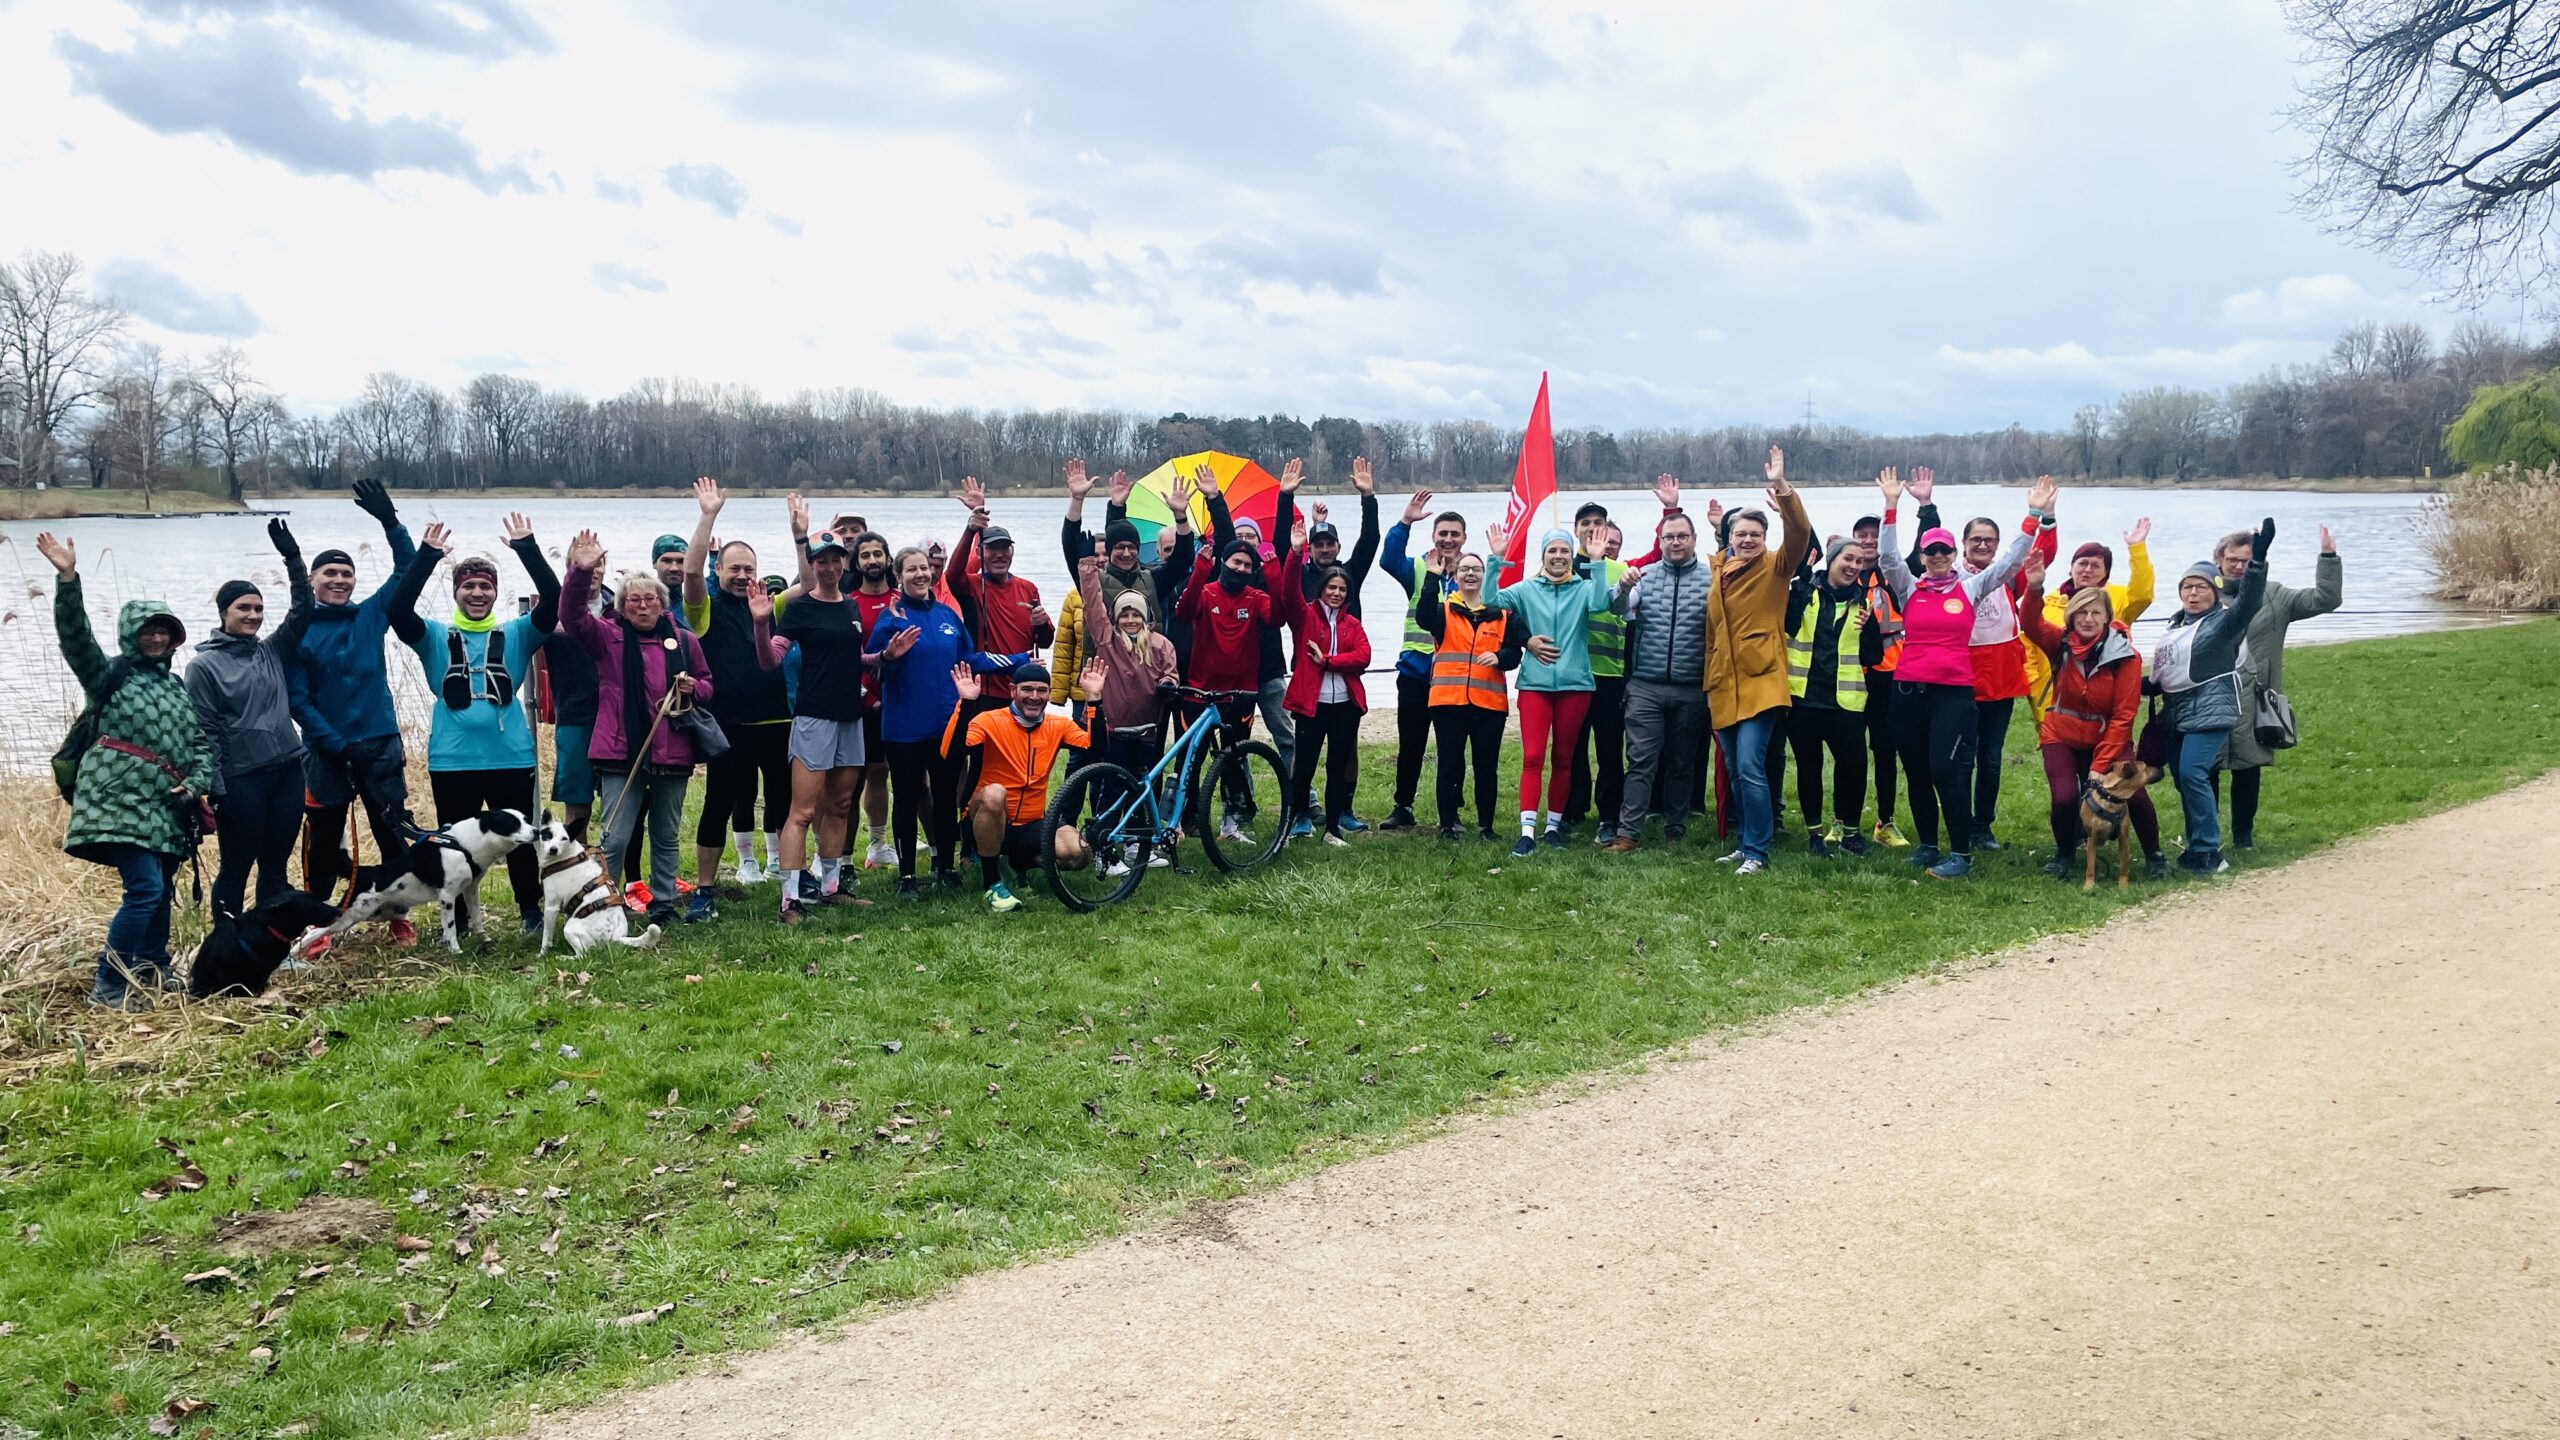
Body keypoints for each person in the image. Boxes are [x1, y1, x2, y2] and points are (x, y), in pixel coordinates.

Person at [35, 533, 212, 1009]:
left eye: (164, 630)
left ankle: (152, 967)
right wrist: (68, 579)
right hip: (118, 801)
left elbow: (199, 744)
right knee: (145, 889)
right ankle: (109, 985)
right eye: (147, 630)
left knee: (160, 889)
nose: (156, 638)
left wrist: (195, 783)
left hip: (167, 806)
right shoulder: (107, 676)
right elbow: (74, 638)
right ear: (130, 634)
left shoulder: (176, 686)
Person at [388, 515, 561, 933]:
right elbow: (397, 608)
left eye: (485, 586)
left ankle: (530, 912)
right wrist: (427, 556)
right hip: (453, 761)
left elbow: (554, 600)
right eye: (469, 586)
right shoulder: (433, 636)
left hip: (510, 757)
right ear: (457, 592)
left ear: (496, 592)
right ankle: (460, 921)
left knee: (520, 839)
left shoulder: (518, 633)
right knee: (455, 845)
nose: (478, 592)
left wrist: (527, 548)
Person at [1873, 468, 2048, 878]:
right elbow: (1887, 556)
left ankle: (1961, 854)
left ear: (1954, 555)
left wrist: (2033, 516)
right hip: (1907, 691)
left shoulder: (1969, 588)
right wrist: (1891, 506)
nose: (1936, 558)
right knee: (1915, 771)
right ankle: (1928, 845)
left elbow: (2009, 563)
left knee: (1944, 769)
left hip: (1952, 694)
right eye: (1930, 552)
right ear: (1922, 556)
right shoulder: (1908, 587)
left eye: (1943, 552)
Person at [561, 529, 728, 931]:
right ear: (622, 605)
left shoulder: (685, 640)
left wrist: (693, 688)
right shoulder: (608, 637)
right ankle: (606, 901)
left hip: (672, 750)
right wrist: (580, 572)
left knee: (666, 834)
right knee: (615, 835)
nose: (642, 606)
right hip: (622, 752)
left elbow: (708, 685)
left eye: (649, 599)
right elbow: (571, 617)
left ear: (661, 604)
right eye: (633, 600)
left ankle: (664, 902)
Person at [287, 478, 419, 934]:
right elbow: (297, 699)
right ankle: (315, 922)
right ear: (313, 581)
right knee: (323, 842)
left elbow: (407, 569)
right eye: (330, 574)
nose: (339, 580)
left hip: (380, 745)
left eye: (346, 574)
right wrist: (337, 744)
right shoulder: (299, 631)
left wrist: (390, 521)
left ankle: (396, 915)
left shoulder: (370, 615)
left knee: (392, 835)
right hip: (327, 753)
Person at [868, 547, 1028, 901]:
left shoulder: (947, 616)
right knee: (907, 799)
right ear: (899, 576)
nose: (920, 574)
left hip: (946, 726)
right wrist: (890, 653)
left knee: (945, 797)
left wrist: (1019, 660)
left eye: (924, 568)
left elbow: (969, 659)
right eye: (911, 570)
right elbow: (876, 666)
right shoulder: (892, 618)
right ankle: (908, 874)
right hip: (903, 727)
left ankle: (945, 866)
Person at [186, 519, 312, 918]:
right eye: (244, 608)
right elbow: (204, 731)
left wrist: (292, 558)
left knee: (275, 867)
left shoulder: (270, 650)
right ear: (224, 613)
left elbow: (303, 609)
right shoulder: (203, 666)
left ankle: (269, 945)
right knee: (237, 867)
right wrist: (216, 788)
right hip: (241, 781)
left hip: (288, 772)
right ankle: (226, 943)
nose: (253, 615)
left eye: (258, 608)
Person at [1701, 447, 1815, 874]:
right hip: (1724, 683)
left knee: (1750, 764)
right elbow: (1712, 632)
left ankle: (1757, 852)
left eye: (1754, 533)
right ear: (1728, 536)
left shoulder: (1775, 567)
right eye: (1739, 533)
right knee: (1734, 767)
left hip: (1763, 680)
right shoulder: (1718, 570)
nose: (1746, 539)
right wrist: (1708, 679)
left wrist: (1784, 490)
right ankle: (1746, 839)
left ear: (1765, 538)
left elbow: (1800, 534)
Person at [1176, 463, 1304, 839]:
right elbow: (1183, 611)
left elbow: (1279, 616)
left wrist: (1275, 565)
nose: (1242, 567)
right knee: (1191, 757)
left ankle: (1234, 821)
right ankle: (1186, 820)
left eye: (1248, 563)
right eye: (1235, 561)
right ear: (1223, 563)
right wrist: (1202, 564)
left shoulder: (1258, 595)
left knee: (1233, 758)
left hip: (1243, 692)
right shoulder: (1208, 591)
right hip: (1200, 689)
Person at [2017, 556, 2161, 879]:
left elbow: (2124, 717)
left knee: (2133, 791)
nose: (2088, 618)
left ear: (2108, 618)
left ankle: (2156, 856)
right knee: (2065, 798)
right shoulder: (2061, 643)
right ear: (2070, 616)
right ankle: (2064, 853)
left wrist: (2100, 765)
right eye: (2081, 612)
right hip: (2061, 733)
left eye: (2096, 612)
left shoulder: (2126, 656)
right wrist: (2035, 586)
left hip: (2107, 735)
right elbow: (2029, 623)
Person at [681, 478, 791, 895]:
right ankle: (706, 889)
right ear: (720, 571)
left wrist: (801, 536)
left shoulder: (771, 605)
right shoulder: (704, 610)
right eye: (734, 569)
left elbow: (807, 582)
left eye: (749, 569)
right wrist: (708, 515)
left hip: (777, 721)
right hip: (728, 726)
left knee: (782, 803)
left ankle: (788, 877)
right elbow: (691, 571)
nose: (743, 576)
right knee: (719, 805)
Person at [1484, 520, 1616, 858]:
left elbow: (1600, 604)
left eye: (1564, 551)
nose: (1558, 556)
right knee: (1532, 756)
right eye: (1552, 551)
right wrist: (1496, 560)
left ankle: (1553, 827)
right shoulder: (1527, 589)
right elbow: (1490, 600)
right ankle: (1527, 832)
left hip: (1576, 685)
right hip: (1535, 685)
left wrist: (1598, 562)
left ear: (1572, 556)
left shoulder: (1583, 588)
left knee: (1564, 757)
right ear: (1543, 556)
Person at [2153, 522, 2272, 874]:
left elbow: (2249, 602)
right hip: (2177, 713)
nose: (2193, 593)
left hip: (2211, 711)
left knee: (2193, 773)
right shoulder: (2177, 626)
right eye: (2187, 587)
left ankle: (2209, 851)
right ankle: (2194, 845)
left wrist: (2257, 564)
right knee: (2183, 780)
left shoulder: (2222, 624)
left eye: (2201, 587)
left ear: (2215, 592)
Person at [2215, 524, 2343, 849]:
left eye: (2246, 559)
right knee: (2206, 769)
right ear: (2218, 561)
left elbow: (2325, 599)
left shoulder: (2275, 596)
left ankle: (2243, 838)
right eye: (2232, 559)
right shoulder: (2202, 595)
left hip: (2256, 699)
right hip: (2212, 696)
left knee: (2247, 768)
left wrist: (2328, 557)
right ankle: (2205, 838)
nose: (2239, 566)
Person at [773, 501, 871, 922]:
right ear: (812, 564)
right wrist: (762, 626)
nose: (829, 567)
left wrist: (883, 656)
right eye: (821, 561)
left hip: (851, 716)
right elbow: (769, 660)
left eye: (835, 560)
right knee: (804, 811)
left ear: (844, 563)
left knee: (842, 805)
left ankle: (830, 887)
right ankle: (790, 899)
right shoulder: (799, 608)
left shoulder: (850, 607)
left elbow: (852, 660)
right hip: (814, 718)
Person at [944, 661, 1096, 912]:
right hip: (986, 817)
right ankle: (992, 882)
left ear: (1049, 693)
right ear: (1013, 690)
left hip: (1031, 823)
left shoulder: (1058, 725)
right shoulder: (989, 720)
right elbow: (952, 754)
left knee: (1080, 852)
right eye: (1027, 689)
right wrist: (967, 703)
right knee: (995, 793)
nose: (1034, 697)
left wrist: (1095, 701)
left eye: (1041, 690)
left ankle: (1018, 863)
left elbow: (1096, 749)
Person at [1603, 509, 1710, 854]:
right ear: (1660, 541)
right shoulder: (1643, 576)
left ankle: (1675, 828)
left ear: (1694, 539)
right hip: (1646, 686)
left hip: (1691, 685)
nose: (1675, 542)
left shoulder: (1711, 580)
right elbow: (1619, 610)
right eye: (1669, 537)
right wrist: (1621, 587)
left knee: (1682, 762)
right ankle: (1628, 832)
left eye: (1682, 536)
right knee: (1640, 761)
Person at [1074, 552, 1180, 874]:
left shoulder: (1161, 645)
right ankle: (1103, 851)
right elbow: (1093, 608)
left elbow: (1172, 674)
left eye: (1136, 614)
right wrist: (1088, 569)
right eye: (1125, 615)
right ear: (1116, 619)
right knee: (1109, 791)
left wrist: (1167, 683)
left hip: (1146, 730)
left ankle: (1136, 845)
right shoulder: (1108, 642)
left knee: (1140, 788)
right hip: (1113, 730)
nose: (1131, 620)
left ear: (1146, 617)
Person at [1377, 492, 1470, 830]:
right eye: (1442, 533)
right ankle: (1403, 806)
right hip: (1416, 673)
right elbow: (1388, 560)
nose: (1447, 539)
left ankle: (1452, 811)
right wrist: (1404, 523)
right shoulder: (1417, 567)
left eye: (1454, 534)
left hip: (1456, 676)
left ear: (1463, 539)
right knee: (1411, 745)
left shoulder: (1472, 572)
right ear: (1433, 536)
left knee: (1453, 747)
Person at [1414, 551, 1522, 841]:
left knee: (1486, 766)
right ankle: (1447, 825)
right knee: (1449, 764)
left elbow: (1515, 653)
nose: (1470, 574)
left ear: (1485, 576)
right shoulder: (1444, 611)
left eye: (1476, 569)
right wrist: (1432, 576)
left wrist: (1499, 657)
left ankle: (1486, 827)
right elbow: (1422, 617)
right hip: (1448, 702)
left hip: (1489, 704)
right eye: (1464, 569)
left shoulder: (1503, 613)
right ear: (1456, 576)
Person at [1784, 534, 1879, 858]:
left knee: (1853, 766)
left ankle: (1850, 832)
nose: (1853, 566)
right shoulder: (1805, 590)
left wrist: (1869, 629)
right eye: (1847, 559)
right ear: (1832, 560)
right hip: (1804, 699)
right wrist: (1798, 589)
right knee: (1809, 767)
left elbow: (1873, 656)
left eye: (1859, 561)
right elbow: (1786, 627)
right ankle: (1813, 834)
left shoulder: (1862, 603)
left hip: (1846, 702)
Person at [1276, 545, 1374, 846]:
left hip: (1345, 705)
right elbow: (1289, 591)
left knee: (1337, 765)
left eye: (1342, 589)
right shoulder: (1304, 615)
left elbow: (1364, 656)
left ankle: (1332, 829)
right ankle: (1295, 821)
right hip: (1312, 703)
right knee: (1304, 765)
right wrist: (1293, 554)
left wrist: (1330, 661)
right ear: (1321, 589)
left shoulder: (1352, 623)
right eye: (1331, 587)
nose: (1337, 593)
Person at [2022, 520, 2154, 727]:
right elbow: (2029, 641)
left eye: (2095, 566)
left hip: (2103, 695)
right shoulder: (2050, 602)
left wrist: (2136, 549)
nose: (2087, 570)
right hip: (2052, 696)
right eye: (2082, 563)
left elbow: (2142, 595)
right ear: (2071, 567)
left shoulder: (2117, 598)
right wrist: (2033, 684)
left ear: (2106, 572)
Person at [1565, 499, 1631, 844]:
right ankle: (1573, 808)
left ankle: (1609, 815)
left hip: (1609, 673)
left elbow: (1631, 623)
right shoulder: (1561, 567)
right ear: (1576, 529)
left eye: (1598, 522)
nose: (1592, 528)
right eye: (1585, 522)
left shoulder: (1620, 571)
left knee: (1609, 749)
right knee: (1570, 747)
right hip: (1571, 673)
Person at [1851, 511, 1911, 848]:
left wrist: (1923, 505)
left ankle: (1885, 822)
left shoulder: (1895, 576)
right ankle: (1844, 821)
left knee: (1885, 750)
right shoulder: (1840, 576)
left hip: (1890, 674)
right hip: (1852, 676)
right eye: (1862, 535)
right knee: (1850, 751)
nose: (1869, 541)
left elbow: (1923, 549)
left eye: (1875, 535)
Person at [847, 527, 903, 869]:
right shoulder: (849, 603)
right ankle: (845, 855)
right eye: (865, 555)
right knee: (859, 777)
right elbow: (846, 658)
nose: (872, 560)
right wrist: (867, 697)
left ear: (887, 558)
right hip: (864, 703)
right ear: (857, 562)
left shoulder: (901, 599)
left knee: (898, 775)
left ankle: (881, 844)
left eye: (877, 554)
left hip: (900, 703)